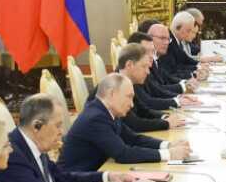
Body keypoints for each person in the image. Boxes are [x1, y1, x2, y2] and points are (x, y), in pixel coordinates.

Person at [0, 95, 134, 182]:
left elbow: (62, 178)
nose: (61, 132)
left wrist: (107, 177)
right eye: (58, 125)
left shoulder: (34, 144)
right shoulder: (12, 155)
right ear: (37, 126)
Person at [60, 74, 190, 172]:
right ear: (112, 94)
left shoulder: (107, 111)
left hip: (97, 171)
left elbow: (133, 138)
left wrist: (168, 145)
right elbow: (123, 154)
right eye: (129, 97)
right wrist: (169, 154)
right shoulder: (96, 118)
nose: (132, 104)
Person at [115, 44, 187, 132]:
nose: (148, 72)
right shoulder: (116, 88)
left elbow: (144, 111)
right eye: (144, 66)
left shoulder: (130, 83)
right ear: (129, 65)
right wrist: (166, 123)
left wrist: (166, 117)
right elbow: (134, 124)